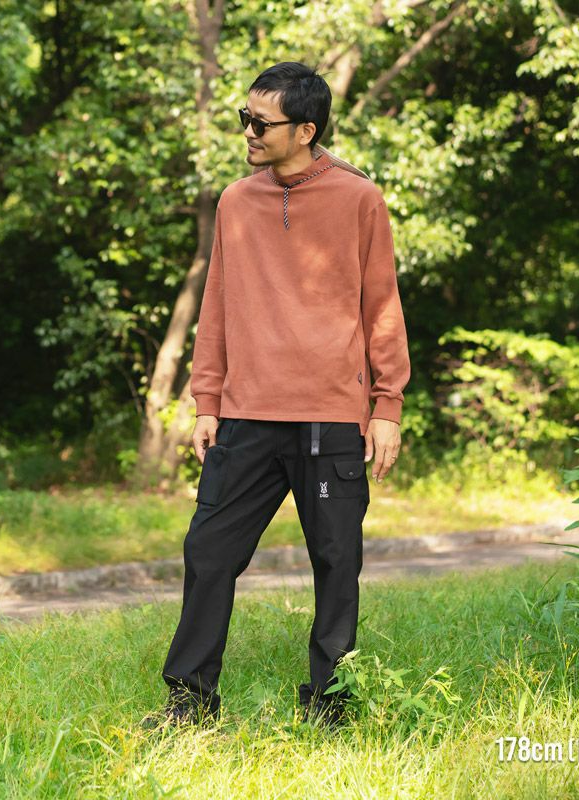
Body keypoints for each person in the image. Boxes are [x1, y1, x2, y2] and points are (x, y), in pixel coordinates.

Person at [143, 61, 411, 731]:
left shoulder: (359, 198)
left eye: (261, 123)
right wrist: (206, 401)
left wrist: (388, 407)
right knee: (209, 553)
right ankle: (190, 702)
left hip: (330, 416)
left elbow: (381, 305)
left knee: (336, 561)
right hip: (247, 416)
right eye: (245, 119)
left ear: (306, 130)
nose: (248, 132)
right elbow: (219, 303)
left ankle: (330, 703)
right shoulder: (237, 201)